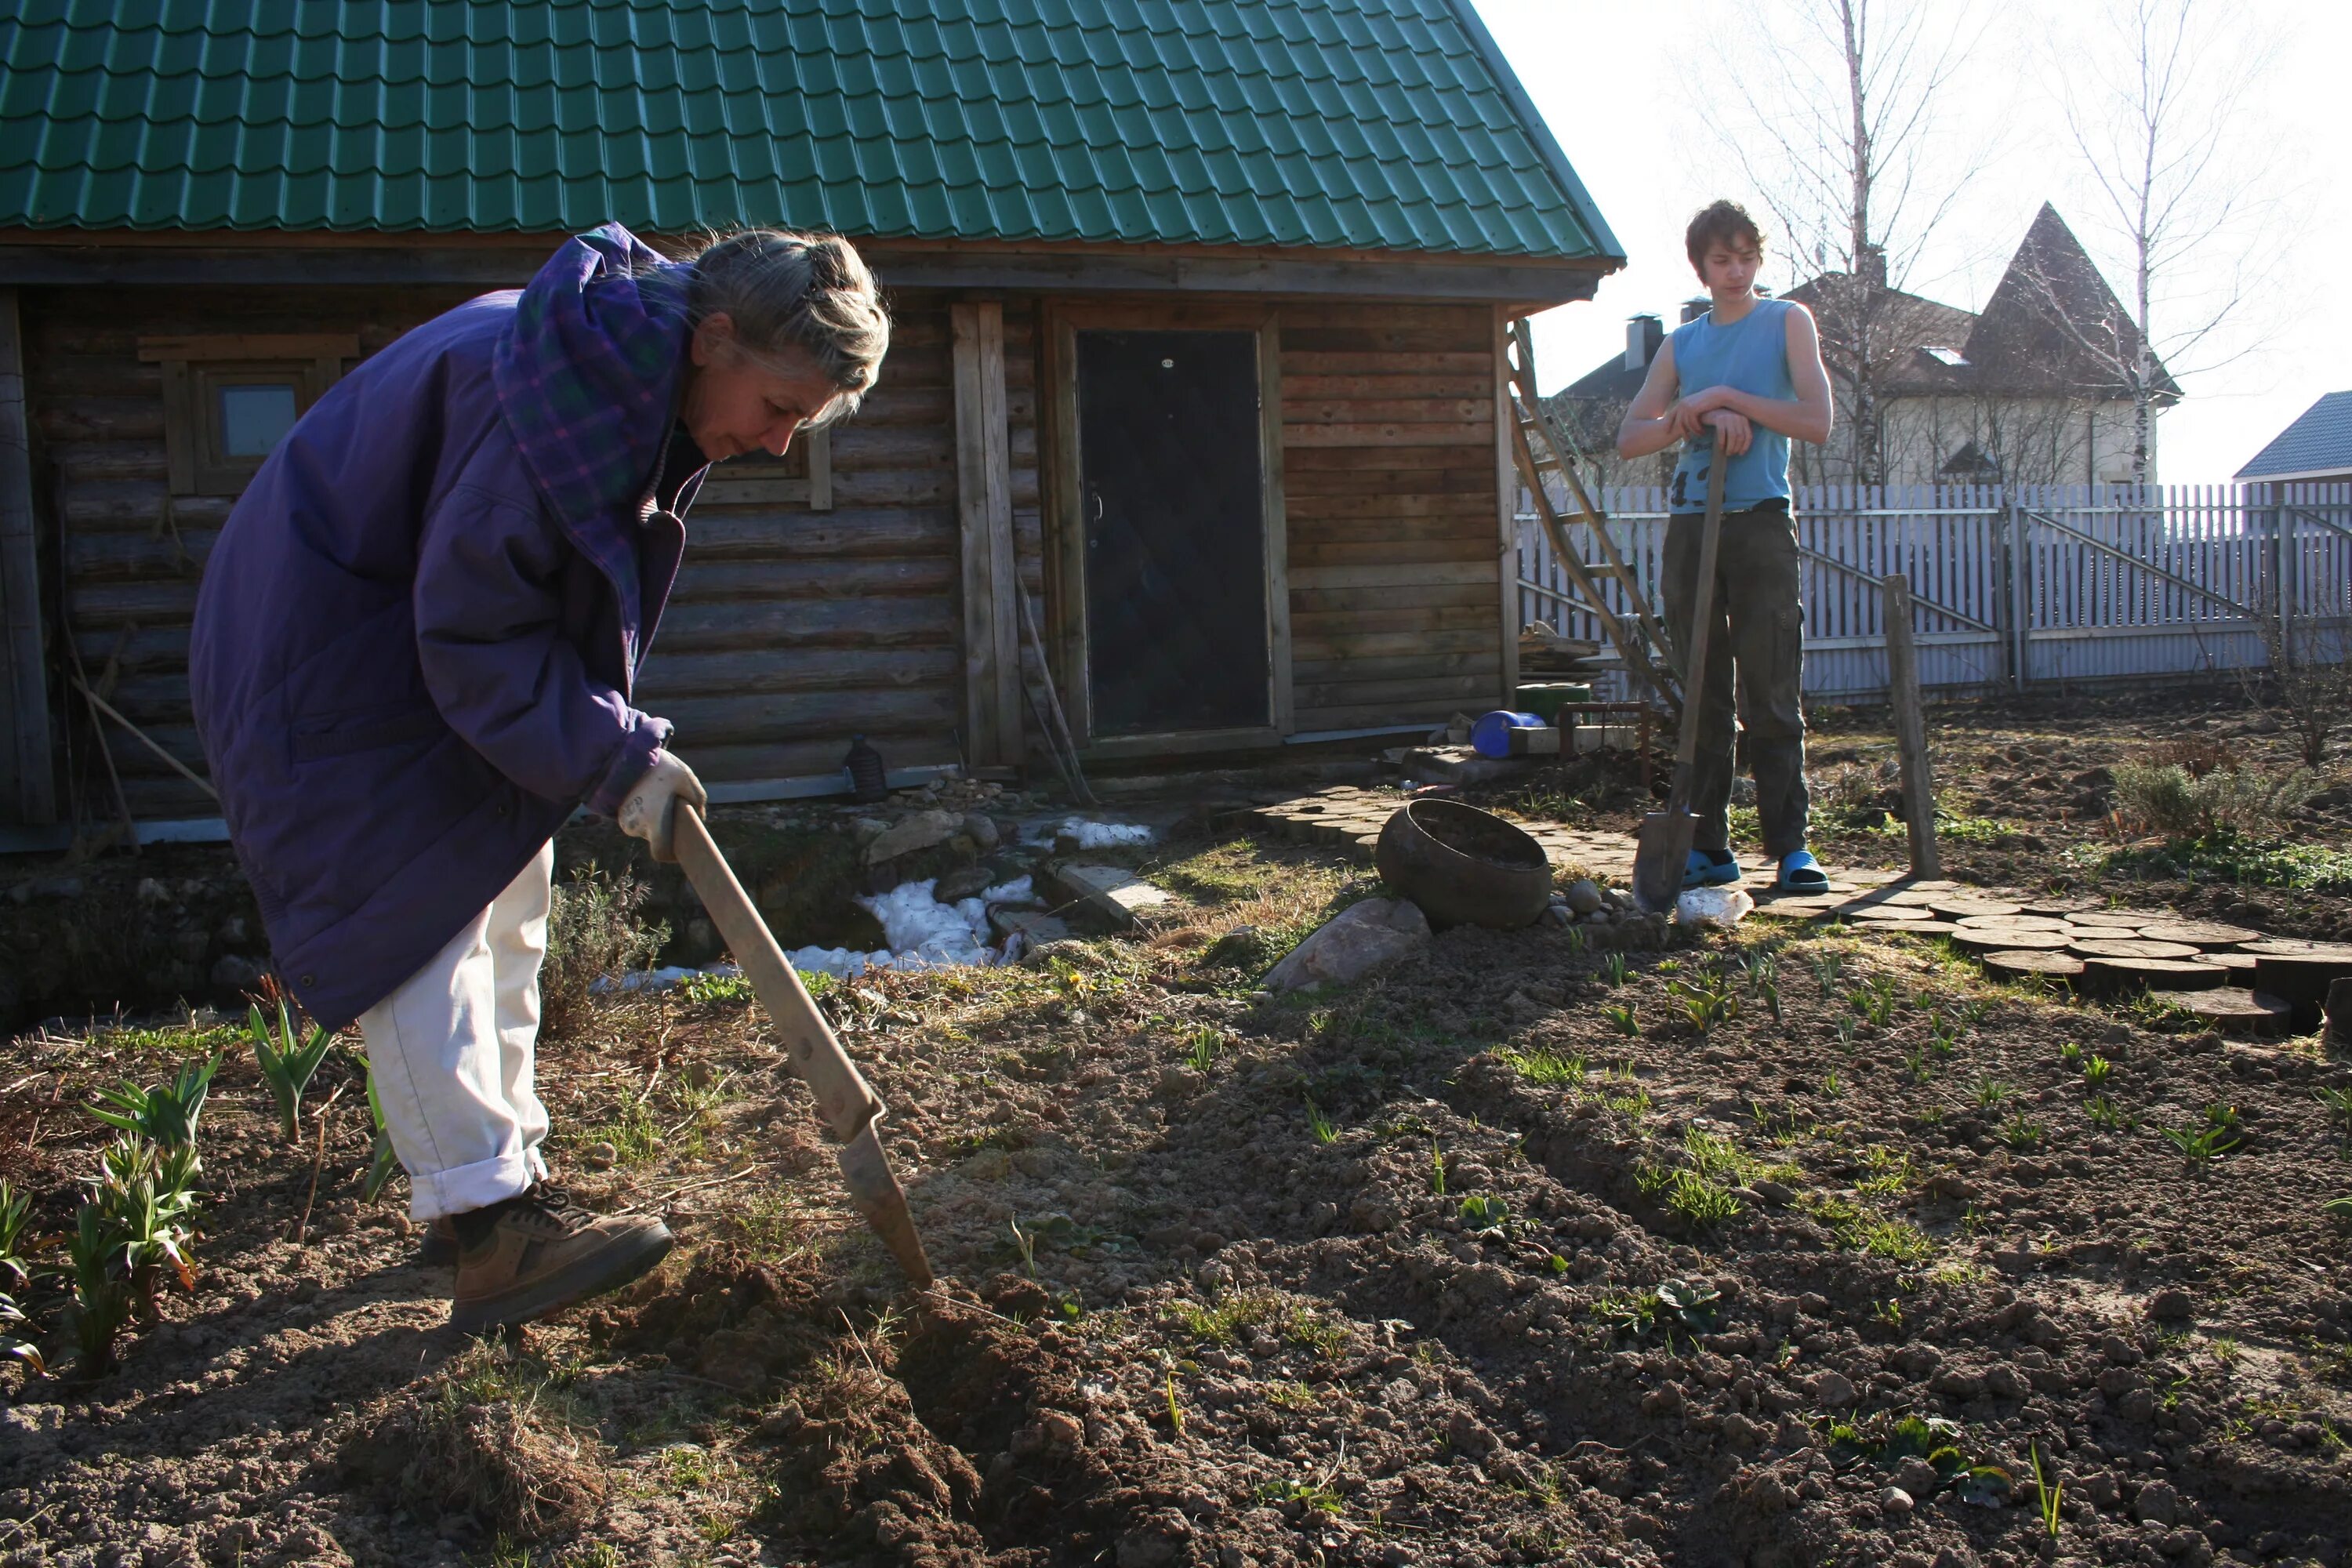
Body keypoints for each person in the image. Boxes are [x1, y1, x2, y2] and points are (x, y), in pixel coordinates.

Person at [189, 224, 889, 1330]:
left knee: (509, 888)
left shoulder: (610, 371)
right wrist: (614, 757)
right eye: (781, 408)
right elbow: (474, 638)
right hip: (323, 654)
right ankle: (488, 1233)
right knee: (422, 919)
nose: (776, 443)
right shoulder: (555, 402)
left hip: (396, 636)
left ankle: (501, 1192)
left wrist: (615, 748)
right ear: (715, 339)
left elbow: (507, 607)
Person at [1617, 200, 1835, 893]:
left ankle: (1791, 847)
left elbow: (1816, 420)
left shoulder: (1787, 322)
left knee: (1770, 685)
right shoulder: (1682, 343)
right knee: (1704, 691)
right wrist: (1697, 413)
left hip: (1760, 522)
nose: (1737, 271)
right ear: (1700, 267)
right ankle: (1708, 843)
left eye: (1747, 257)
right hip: (1692, 523)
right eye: (1722, 260)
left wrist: (1726, 398)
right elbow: (1631, 437)